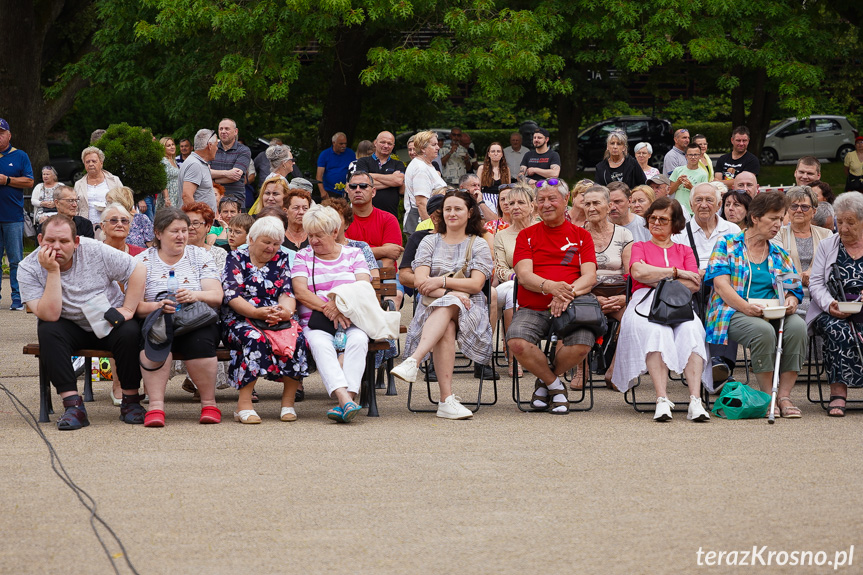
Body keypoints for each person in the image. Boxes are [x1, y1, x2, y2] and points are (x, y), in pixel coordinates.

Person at [19, 215, 147, 429]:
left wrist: (128, 309)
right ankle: (73, 406)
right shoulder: (28, 267)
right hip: (69, 324)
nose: (57, 247)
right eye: (50, 241)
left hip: (106, 319)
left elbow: (137, 269)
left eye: (64, 241)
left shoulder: (94, 249)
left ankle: (131, 402)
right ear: (40, 239)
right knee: (48, 329)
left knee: (130, 331)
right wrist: (52, 271)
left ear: (76, 242)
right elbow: (49, 314)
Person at [391, 190, 494, 420]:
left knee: (451, 302)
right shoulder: (429, 240)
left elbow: (477, 285)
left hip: (472, 308)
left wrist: (441, 281)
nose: (452, 213)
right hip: (434, 307)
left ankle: (414, 361)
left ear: (469, 213)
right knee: (446, 323)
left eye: (458, 209)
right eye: (448, 209)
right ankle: (446, 400)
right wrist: (453, 292)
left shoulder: (478, 244)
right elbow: (419, 281)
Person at [705, 191, 807, 419]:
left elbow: (793, 288)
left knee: (798, 327)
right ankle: (767, 396)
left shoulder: (779, 253)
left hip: (772, 311)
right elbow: (721, 286)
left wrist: (791, 300)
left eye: (781, 219)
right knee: (762, 332)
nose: (779, 225)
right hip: (730, 311)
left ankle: (784, 396)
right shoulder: (727, 245)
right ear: (755, 218)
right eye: (773, 218)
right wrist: (745, 307)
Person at [611, 197, 712, 421]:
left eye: (663, 219)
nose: (656, 223)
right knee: (657, 332)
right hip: (643, 302)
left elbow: (694, 284)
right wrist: (676, 273)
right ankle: (662, 399)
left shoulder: (685, 250)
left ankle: (695, 400)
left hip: (679, 304)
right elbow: (637, 272)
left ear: (674, 224)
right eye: (652, 218)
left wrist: (656, 276)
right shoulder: (640, 246)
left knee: (692, 331)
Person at [505, 178, 598, 414]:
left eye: (552, 198)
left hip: (573, 306)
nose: (545, 204)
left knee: (582, 344)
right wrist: (551, 287)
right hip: (533, 307)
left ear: (565, 200)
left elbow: (589, 276)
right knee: (516, 341)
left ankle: (544, 382)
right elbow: (524, 275)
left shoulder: (581, 236)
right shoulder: (526, 235)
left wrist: (566, 294)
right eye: (541, 200)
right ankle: (555, 385)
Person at [134, 208, 224, 427]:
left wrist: (194, 295)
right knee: (155, 341)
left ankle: (209, 403)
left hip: (194, 318)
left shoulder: (199, 255)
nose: (181, 236)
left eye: (184, 230)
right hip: (156, 318)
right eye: (175, 231)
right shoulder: (142, 260)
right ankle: (155, 406)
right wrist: (157, 305)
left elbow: (216, 296)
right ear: (158, 233)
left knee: (201, 341)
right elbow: (134, 306)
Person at [222, 216, 308, 423]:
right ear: (251, 239)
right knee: (254, 338)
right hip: (240, 318)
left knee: (296, 338)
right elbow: (232, 296)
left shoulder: (280, 259)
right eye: (266, 242)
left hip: (274, 316)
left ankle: (288, 404)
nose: (271, 248)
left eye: (276, 243)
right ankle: (244, 405)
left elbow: (287, 292)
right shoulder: (235, 257)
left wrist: (286, 312)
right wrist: (256, 313)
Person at [291, 205, 371, 423]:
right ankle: (345, 399)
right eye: (310, 235)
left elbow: (363, 286)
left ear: (335, 232)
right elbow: (300, 291)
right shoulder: (303, 257)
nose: (313, 240)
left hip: (351, 320)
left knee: (360, 340)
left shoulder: (354, 254)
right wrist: (329, 307)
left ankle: (345, 401)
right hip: (316, 323)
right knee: (319, 344)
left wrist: (340, 305)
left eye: (319, 235)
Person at [806, 192, 863, 416]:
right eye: (841, 222)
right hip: (833, 308)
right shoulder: (828, 245)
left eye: (851, 222)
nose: (844, 228)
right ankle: (838, 393)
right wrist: (830, 304)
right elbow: (816, 283)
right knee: (836, 329)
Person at [579, 185, 633, 388]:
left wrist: (623, 299)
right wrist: (594, 299)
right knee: (579, 312)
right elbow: (572, 274)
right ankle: (581, 366)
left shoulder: (624, 234)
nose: (591, 208)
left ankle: (615, 368)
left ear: (609, 206)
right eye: (587, 204)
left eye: (596, 203)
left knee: (633, 318)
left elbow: (630, 273)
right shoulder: (577, 234)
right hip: (586, 293)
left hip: (618, 294)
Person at [343, 171, 405, 309]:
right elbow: (341, 255)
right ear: (348, 191)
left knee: (395, 295)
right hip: (349, 276)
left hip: (385, 277)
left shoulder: (388, 219)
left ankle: (388, 328)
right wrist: (383, 250)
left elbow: (389, 261)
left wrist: (356, 253)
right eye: (353, 186)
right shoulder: (340, 220)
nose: (358, 190)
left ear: (373, 192)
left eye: (363, 186)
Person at [492, 183, 535, 375]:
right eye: (511, 203)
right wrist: (518, 276)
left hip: (538, 285)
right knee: (512, 291)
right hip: (509, 284)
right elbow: (499, 268)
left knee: (514, 293)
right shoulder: (501, 236)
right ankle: (514, 358)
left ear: (532, 206)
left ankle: (518, 355)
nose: (515, 207)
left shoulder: (542, 230)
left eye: (521, 202)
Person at [773, 186, 833, 317]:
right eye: (794, 206)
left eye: (804, 207)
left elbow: (831, 266)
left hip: (820, 295)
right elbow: (778, 267)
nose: (799, 210)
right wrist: (801, 277)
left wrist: (814, 274)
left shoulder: (827, 234)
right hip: (788, 296)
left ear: (814, 211)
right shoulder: (777, 234)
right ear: (787, 210)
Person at [355, 131, 406, 218]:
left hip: (390, 216)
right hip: (366, 215)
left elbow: (398, 181)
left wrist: (371, 175)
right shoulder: (363, 161)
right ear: (375, 143)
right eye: (382, 142)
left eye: (389, 144)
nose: (386, 146)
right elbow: (363, 183)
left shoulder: (398, 164)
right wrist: (391, 182)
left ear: (393, 146)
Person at [404, 130, 447, 234]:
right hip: (422, 221)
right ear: (423, 149)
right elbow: (421, 203)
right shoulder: (420, 168)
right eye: (434, 145)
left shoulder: (427, 164)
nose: (438, 147)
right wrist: (430, 229)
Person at [74, 146, 123, 234]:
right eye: (87, 162)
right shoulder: (78, 184)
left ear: (101, 163)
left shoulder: (114, 180)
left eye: (94, 161)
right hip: (86, 226)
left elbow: (124, 201)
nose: (91, 164)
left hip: (111, 224)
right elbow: (75, 206)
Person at [210, 118, 251, 208]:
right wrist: (227, 173)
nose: (223, 131)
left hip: (236, 202)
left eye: (227, 129)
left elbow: (235, 176)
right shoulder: (211, 148)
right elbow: (205, 172)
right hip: (213, 202)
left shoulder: (243, 150)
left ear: (235, 131)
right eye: (221, 129)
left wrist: (212, 180)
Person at [179, 129, 218, 211]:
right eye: (216, 145)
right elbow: (186, 196)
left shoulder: (197, 162)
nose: (217, 149)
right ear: (210, 146)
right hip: (199, 222)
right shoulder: (195, 165)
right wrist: (198, 220)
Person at [669, 143, 709, 214]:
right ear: (686, 156)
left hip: (693, 211)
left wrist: (691, 187)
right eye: (690, 155)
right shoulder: (678, 170)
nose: (693, 157)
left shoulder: (703, 174)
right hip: (678, 210)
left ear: (700, 156)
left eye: (696, 155)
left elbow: (703, 196)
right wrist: (678, 182)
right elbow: (670, 191)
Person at [316, 132, 355, 199]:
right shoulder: (325, 154)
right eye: (341, 144)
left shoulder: (350, 153)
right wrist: (322, 191)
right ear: (334, 143)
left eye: (345, 144)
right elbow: (319, 175)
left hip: (346, 191)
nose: (344, 146)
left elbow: (355, 171)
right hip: (329, 191)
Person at [476, 142, 512, 216]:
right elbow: (477, 188)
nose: (496, 153)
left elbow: (508, 188)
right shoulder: (481, 169)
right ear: (488, 154)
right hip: (486, 199)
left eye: (498, 151)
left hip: (501, 199)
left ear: (502, 154)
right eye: (493, 151)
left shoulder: (506, 169)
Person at [283, 188, 312, 252]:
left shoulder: (314, 237)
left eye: (305, 208)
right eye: (296, 208)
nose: (301, 212)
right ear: (285, 211)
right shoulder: (278, 238)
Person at [157, 137, 181, 212]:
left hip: (176, 195)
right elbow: (163, 180)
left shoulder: (173, 160)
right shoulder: (163, 161)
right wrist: (166, 198)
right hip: (168, 195)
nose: (172, 147)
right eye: (168, 146)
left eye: (173, 144)